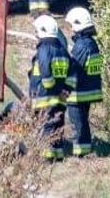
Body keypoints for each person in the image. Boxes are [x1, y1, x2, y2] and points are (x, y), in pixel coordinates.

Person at [28, 13, 72, 161]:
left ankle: (46, 158)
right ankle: (58, 155)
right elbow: (71, 72)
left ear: (42, 30)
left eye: (37, 31)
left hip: (45, 96)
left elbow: (45, 70)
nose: (36, 34)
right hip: (59, 97)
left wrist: (49, 86)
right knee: (58, 126)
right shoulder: (63, 50)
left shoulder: (44, 49)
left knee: (46, 126)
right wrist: (66, 90)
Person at [64, 6, 103, 157]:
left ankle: (81, 153)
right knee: (82, 122)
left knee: (78, 124)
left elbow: (73, 67)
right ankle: (84, 150)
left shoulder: (82, 46)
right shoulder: (90, 43)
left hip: (78, 93)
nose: (71, 29)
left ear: (78, 25)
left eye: (72, 25)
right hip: (88, 90)